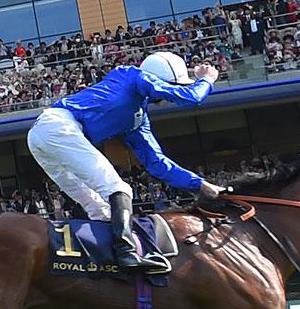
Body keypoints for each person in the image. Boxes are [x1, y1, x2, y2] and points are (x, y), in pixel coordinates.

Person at [25, 50, 223, 271]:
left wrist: (200, 184)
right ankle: (127, 254)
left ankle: (104, 264)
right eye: (170, 85)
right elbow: (190, 98)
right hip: (58, 125)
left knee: (100, 210)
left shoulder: (137, 118)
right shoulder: (132, 75)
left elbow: (157, 163)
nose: (165, 97)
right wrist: (206, 80)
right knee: (119, 189)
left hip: (42, 136)